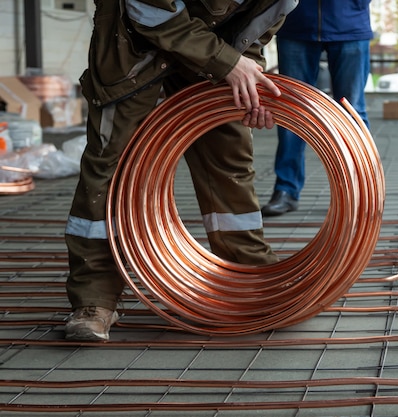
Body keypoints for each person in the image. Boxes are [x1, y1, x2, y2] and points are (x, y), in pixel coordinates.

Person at [64, 0, 298, 341]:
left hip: (210, 54)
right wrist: (228, 62)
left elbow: (253, 35)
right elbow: (147, 10)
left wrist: (251, 82)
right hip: (132, 47)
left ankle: (247, 276)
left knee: (228, 156)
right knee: (110, 169)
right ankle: (94, 300)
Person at [261, 0, 373, 216]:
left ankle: (360, 191)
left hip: (350, 22)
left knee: (353, 112)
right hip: (297, 23)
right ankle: (286, 190)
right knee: (292, 112)